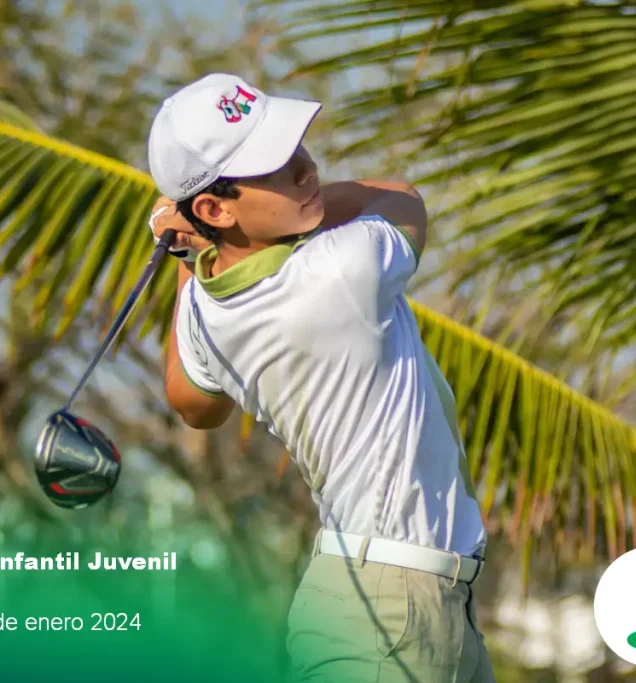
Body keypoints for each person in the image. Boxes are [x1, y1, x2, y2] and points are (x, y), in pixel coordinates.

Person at [146, 73, 496, 683]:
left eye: (297, 150)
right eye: (277, 166)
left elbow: (193, 402)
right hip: (388, 612)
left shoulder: (204, 310)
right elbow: (402, 199)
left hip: (398, 602)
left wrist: (189, 254)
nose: (307, 169)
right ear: (214, 207)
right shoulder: (341, 269)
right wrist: (205, 232)